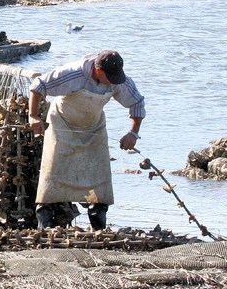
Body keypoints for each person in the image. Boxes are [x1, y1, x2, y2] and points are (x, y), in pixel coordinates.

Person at [28, 50, 145, 230]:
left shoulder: (118, 81)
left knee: (99, 180)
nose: (114, 81)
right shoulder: (73, 74)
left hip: (93, 130)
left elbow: (136, 102)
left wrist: (133, 133)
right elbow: (38, 85)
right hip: (62, 126)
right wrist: (33, 116)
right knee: (52, 176)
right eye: (110, 77)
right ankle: (45, 226)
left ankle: (98, 227)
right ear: (98, 70)